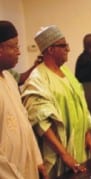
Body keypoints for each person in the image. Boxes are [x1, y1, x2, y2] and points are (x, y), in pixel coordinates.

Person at [21, 25, 91, 178]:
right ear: (50, 50)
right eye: (64, 46)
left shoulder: (66, 72)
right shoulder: (37, 79)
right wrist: (64, 155)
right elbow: (41, 123)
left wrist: (88, 135)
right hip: (59, 154)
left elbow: (81, 106)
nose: (68, 49)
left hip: (80, 148)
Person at [0, 20, 47, 179]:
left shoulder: (9, 78)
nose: (18, 52)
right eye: (14, 46)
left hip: (26, 167)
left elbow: (24, 123)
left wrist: (37, 159)